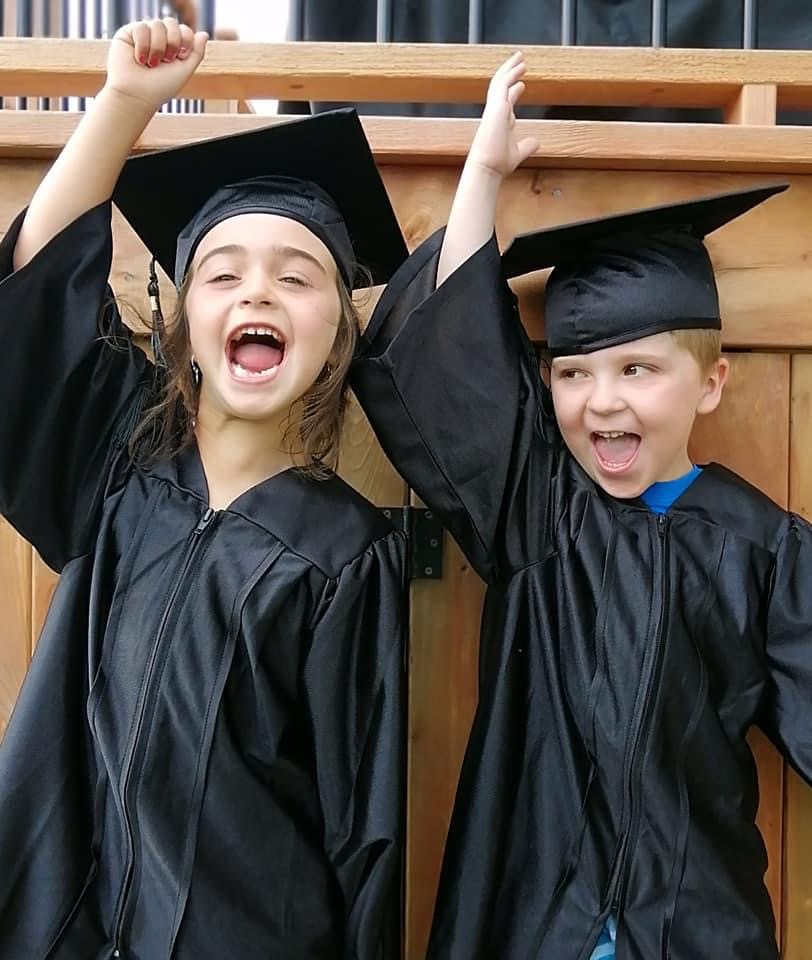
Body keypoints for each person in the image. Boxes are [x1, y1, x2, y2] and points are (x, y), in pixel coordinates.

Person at [350, 53, 812, 958]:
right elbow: (454, 361)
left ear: (710, 383)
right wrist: (482, 173)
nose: (602, 402)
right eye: (572, 373)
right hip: (530, 922)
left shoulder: (764, 549)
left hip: (695, 928)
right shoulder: (536, 512)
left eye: (638, 369)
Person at [0, 17, 408, 960]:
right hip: (69, 925)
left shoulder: (348, 553)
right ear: (185, 324)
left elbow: (365, 826)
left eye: (297, 276)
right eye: (223, 274)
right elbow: (32, 282)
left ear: (336, 337)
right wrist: (125, 103)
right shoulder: (118, 473)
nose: (258, 292)